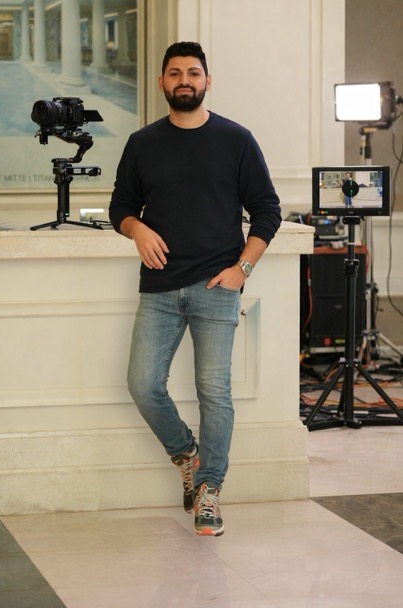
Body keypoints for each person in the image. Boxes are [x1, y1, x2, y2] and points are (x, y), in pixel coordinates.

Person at [109, 41, 281, 537]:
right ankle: (187, 453)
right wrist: (137, 229)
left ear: (207, 81)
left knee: (214, 392)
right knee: (142, 385)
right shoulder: (142, 143)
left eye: (193, 72)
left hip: (216, 285)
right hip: (159, 288)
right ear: (162, 82)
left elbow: (267, 211)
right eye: (175, 72)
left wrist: (242, 269)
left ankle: (209, 490)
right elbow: (121, 206)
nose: (184, 80)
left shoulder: (236, 140)